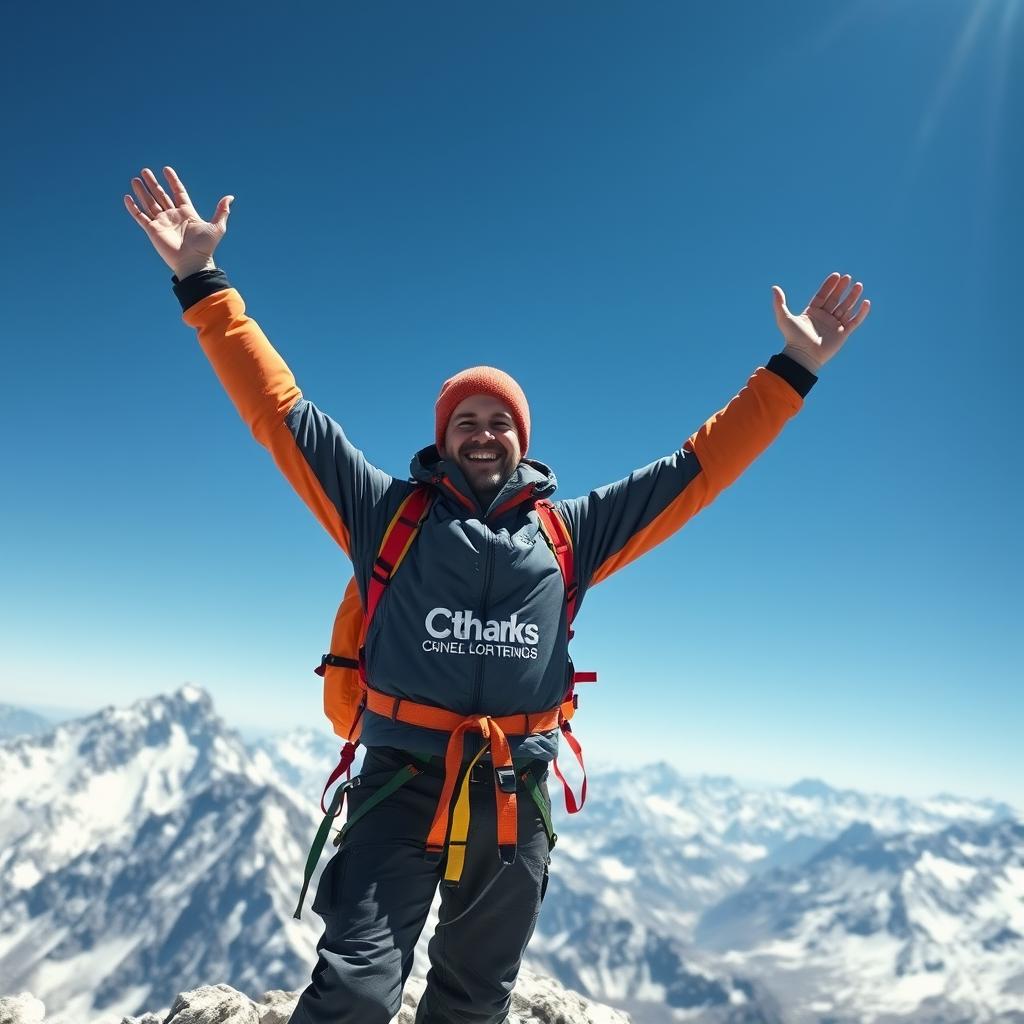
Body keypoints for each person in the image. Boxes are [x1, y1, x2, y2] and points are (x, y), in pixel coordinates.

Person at [124, 165, 871, 1024]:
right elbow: (279, 409)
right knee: (356, 988)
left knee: (475, 1000)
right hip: (397, 783)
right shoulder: (384, 514)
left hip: (515, 789)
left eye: (500, 420)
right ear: (443, 442)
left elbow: (699, 468)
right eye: (465, 423)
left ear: (524, 439)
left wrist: (796, 366)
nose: (484, 433)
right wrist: (200, 281)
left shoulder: (572, 535)